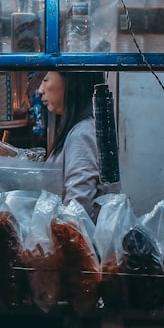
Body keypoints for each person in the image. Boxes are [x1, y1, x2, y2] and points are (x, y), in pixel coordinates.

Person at [37, 71, 118, 218]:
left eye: (45, 79)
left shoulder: (82, 134)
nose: (40, 89)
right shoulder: (79, 129)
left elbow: (78, 207)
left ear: (69, 82)